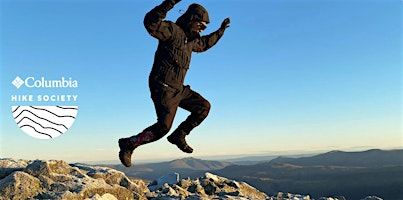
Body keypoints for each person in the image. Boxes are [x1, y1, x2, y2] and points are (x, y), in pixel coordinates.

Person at [118, 0, 230, 167]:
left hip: (179, 89)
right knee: (163, 127)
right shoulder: (171, 31)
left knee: (203, 107)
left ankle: (179, 135)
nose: (203, 28)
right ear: (191, 19)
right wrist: (170, 2)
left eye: (205, 26)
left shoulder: (191, 41)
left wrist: (220, 31)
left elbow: (205, 43)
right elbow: (151, 23)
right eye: (201, 24)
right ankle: (128, 144)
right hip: (162, 86)